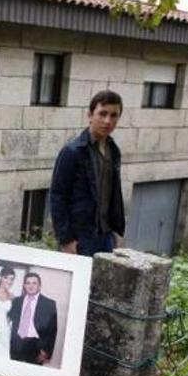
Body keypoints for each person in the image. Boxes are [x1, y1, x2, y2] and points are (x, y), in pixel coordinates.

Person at [50, 90, 125, 257]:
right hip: (80, 238)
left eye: (114, 115)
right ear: (90, 115)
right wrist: (66, 240)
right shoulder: (73, 151)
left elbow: (113, 193)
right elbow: (57, 197)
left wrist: (117, 232)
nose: (108, 121)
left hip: (106, 237)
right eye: (102, 114)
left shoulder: (114, 151)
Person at [8, 273, 57, 365]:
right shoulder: (16, 301)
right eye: (28, 283)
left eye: (34, 283)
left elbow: (52, 330)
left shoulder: (49, 304)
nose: (31, 286)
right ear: (24, 285)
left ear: (39, 286)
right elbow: (8, 320)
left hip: (36, 348)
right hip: (15, 346)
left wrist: (46, 351)